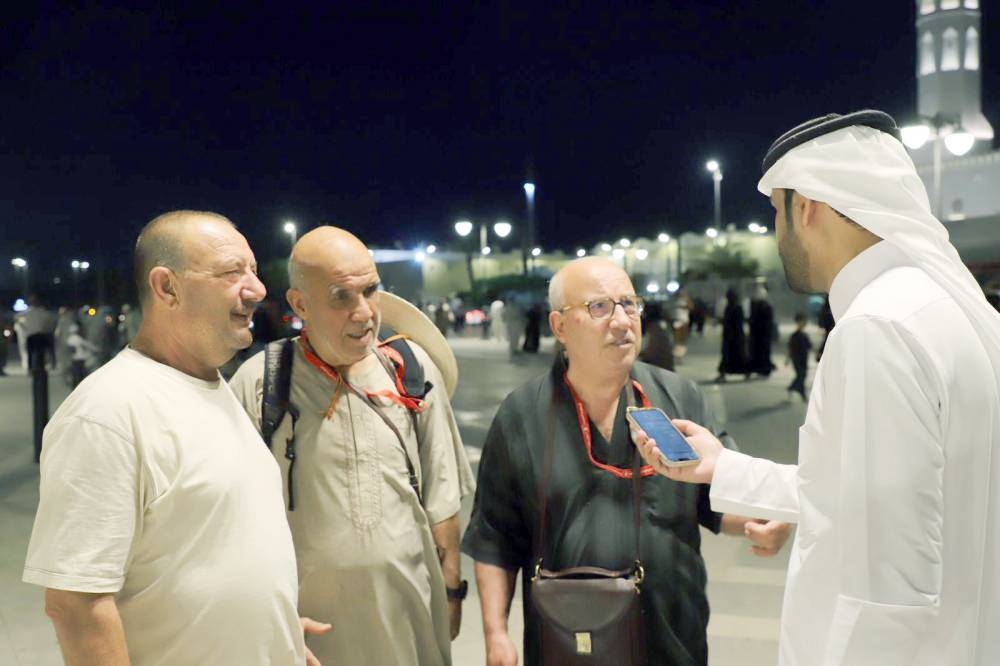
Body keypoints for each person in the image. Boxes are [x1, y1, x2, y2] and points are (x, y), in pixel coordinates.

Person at [634, 111, 1000, 665]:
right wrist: (723, 468)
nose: (776, 238)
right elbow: (861, 493)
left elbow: (890, 593)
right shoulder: (945, 308)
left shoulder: (878, 329)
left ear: (805, 208)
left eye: (774, 217)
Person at [23, 210, 326, 665]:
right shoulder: (107, 413)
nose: (259, 289)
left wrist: (274, 631)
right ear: (168, 287)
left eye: (254, 270)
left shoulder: (213, 388)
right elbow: (76, 606)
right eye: (231, 272)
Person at [461, 257, 792, 666]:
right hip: (569, 639)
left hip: (673, 635)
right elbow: (495, 537)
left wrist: (760, 522)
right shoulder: (522, 414)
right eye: (599, 307)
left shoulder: (678, 399)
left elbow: (714, 496)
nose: (621, 320)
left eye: (629, 304)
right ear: (560, 327)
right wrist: (496, 635)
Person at [229, 226, 476, 666]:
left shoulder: (412, 372)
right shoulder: (261, 383)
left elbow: (443, 502)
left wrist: (453, 593)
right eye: (341, 296)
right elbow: (233, 524)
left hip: (410, 619)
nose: (364, 313)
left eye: (371, 290)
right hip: (309, 633)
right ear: (300, 304)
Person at [715, 288, 747, 381]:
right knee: (729, 355)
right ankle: (724, 373)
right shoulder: (730, 308)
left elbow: (737, 323)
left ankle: (744, 371)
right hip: (731, 336)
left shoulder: (736, 308)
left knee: (734, 355)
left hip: (734, 336)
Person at [746, 286, 776, 377]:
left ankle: (761, 369)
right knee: (763, 352)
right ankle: (763, 370)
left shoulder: (758, 307)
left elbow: (753, 321)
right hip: (763, 335)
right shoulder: (766, 306)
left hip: (759, 335)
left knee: (759, 352)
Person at [638, 300, 675, 371]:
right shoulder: (664, 325)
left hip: (658, 368)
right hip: (666, 366)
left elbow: (652, 351)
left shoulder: (655, 328)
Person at [785, 312, 811, 401]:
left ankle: (792, 387)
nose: (804, 323)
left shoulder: (805, 335)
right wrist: (787, 359)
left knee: (803, 375)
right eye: (802, 321)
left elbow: (809, 347)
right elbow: (790, 348)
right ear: (798, 322)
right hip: (796, 359)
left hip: (804, 359)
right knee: (801, 375)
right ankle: (801, 392)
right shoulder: (794, 336)